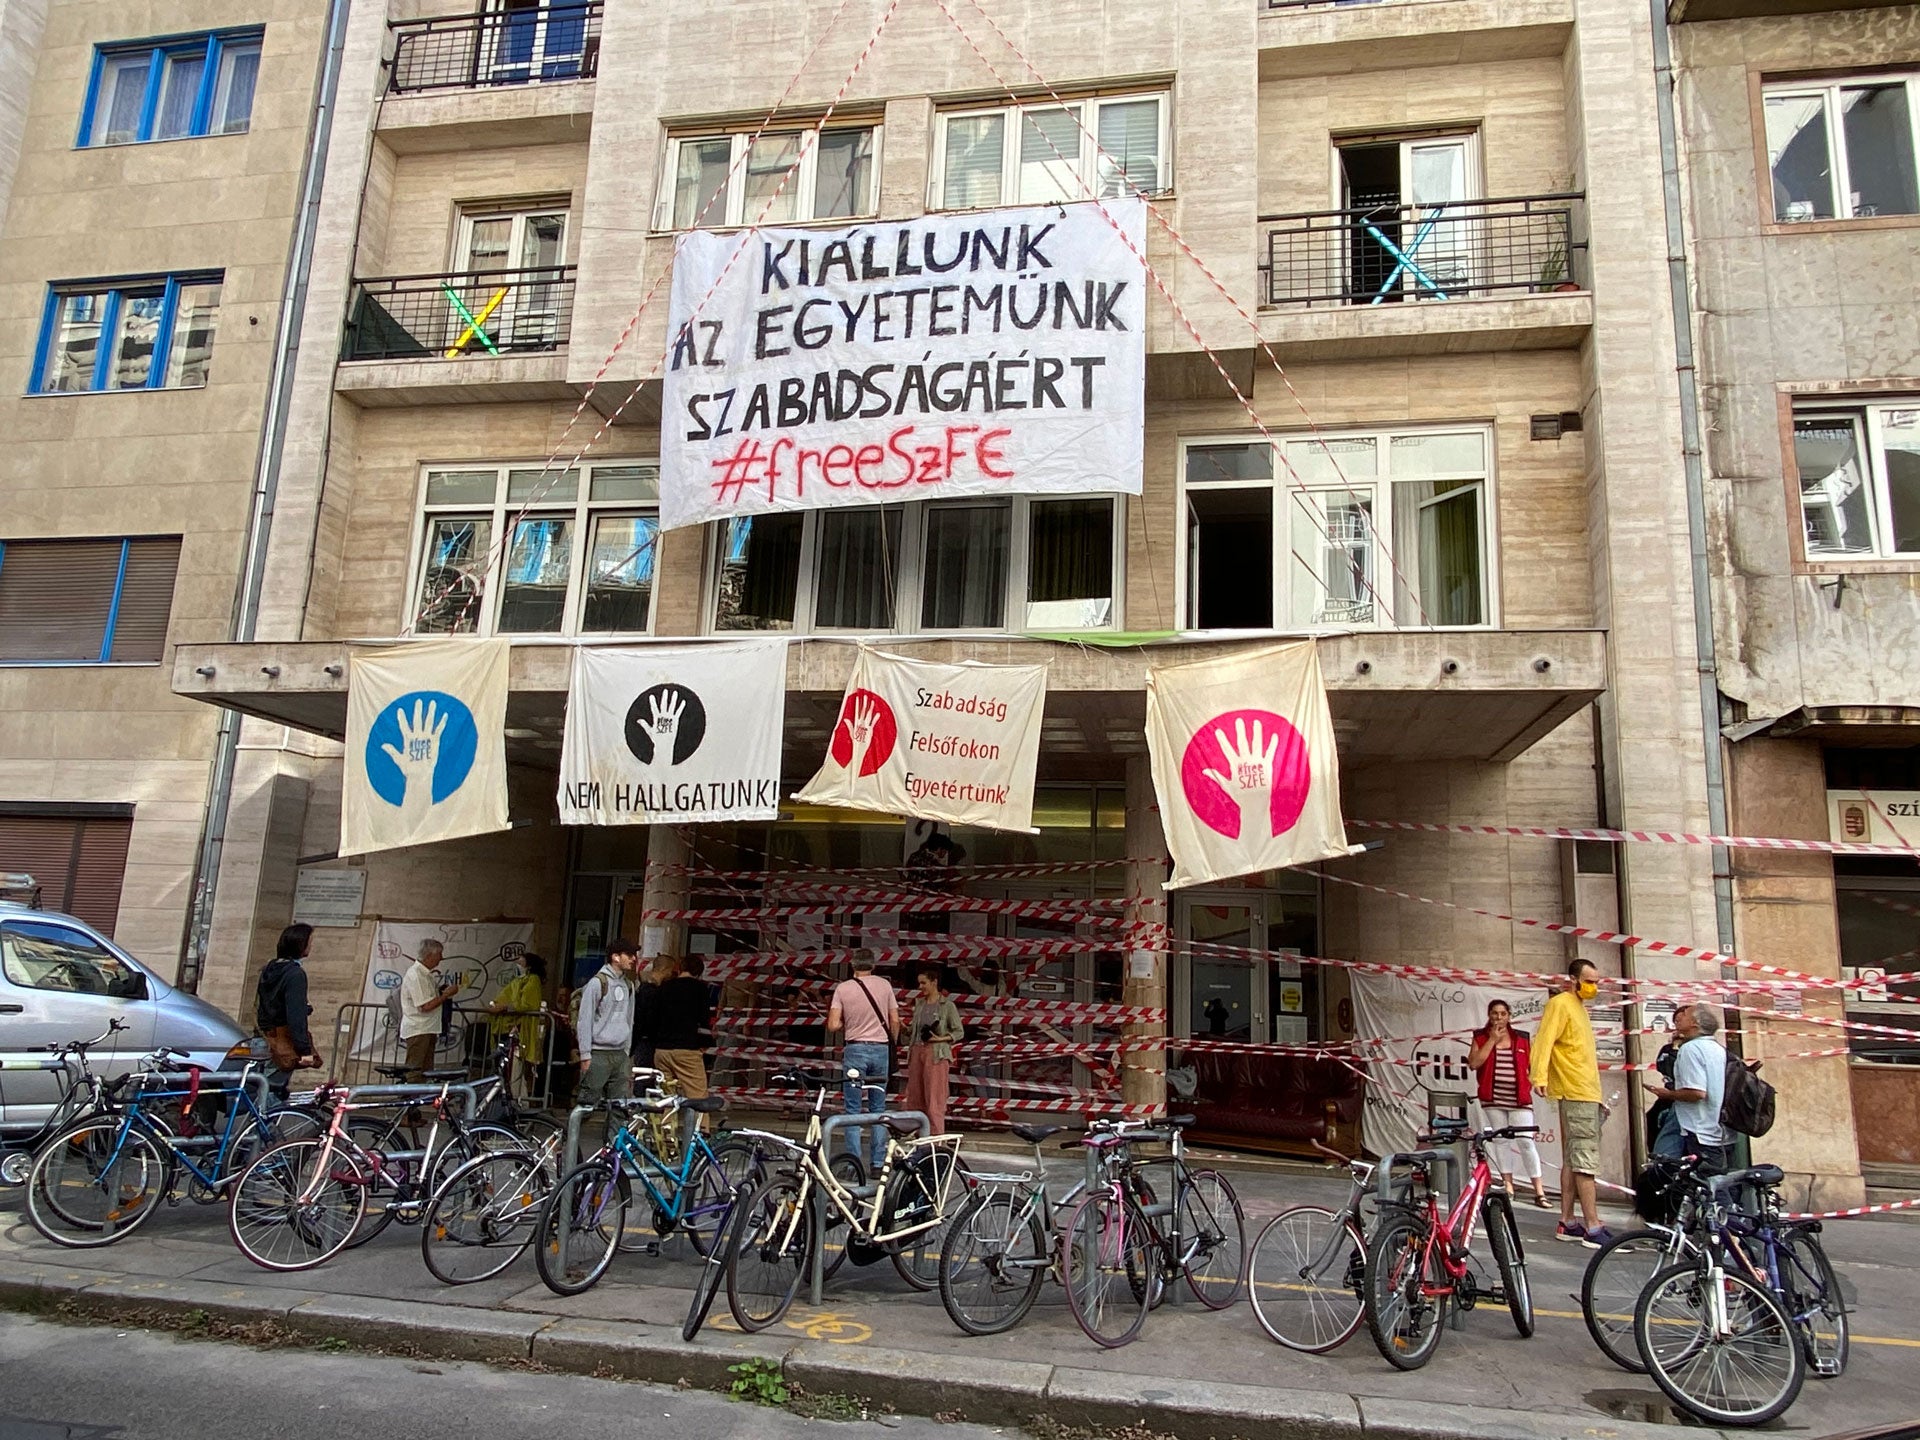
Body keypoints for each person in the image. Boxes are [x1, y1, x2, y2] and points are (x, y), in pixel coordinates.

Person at [1531, 957, 1612, 1248]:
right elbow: (1544, 1041)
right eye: (1589, 981)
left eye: (1596, 981)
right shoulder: (1561, 1004)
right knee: (1584, 1159)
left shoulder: (1577, 1008)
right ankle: (1592, 1225)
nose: (1594, 987)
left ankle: (1568, 1220)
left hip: (1584, 1090)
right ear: (1573, 980)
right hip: (1576, 1091)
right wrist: (1538, 1075)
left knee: (1572, 1158)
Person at [1468, 999, 1550, 1208]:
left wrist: (1540, 1083)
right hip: (1493, 1099)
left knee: (1525, 1141)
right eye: (1494, 1013)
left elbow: (1532, 1065)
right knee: (1501, 1141)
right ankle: (1508, 1185)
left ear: (1509, 1016)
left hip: (1519, 1099)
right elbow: (1474, 1063)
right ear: (1489, 1015)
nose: (1499, 1017)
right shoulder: (1480, 1036)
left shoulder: (1521, 1038)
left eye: (1503, 1013)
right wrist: (1492, 1040)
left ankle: (1539, 1191)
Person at [827, 950, 899, 1171]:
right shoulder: (885, 986)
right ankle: (877, 1163)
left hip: (855, 1048)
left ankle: (853, 1164)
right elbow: (894, 1020)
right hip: (880, 1049)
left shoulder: (843, 988)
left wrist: (849, 1023)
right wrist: (891, 1044)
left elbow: (832, 1025)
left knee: (852, 1108)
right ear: (873, 965)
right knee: (878, 1107)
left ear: (852, 965)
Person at [1646, 1003, 1731, 1174]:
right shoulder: (1717, 1048)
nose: (1678, 1020)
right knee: (1714, 1182)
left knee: (1709, 1185)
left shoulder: (1690, 1049)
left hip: (1699, 1128)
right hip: (1715, 1128)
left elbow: (1697, 1092)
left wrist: (1668, 1094)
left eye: (1684, 1015)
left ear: (1695, 1023)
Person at [255, 923, 320, 1100]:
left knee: (264, 1089)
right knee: (272, 1095)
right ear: (300, 944)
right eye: (310, 942)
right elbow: (295, 1016)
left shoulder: (269, 968)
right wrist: (304, 1050)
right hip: (283, 1040)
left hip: (265, 1038)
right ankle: (260, 1128)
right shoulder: (295, 974)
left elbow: (263, 1005)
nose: (311, 946)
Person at [575, 938, 639, 1106]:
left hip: (620, 1053)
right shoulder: (597, 983)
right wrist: (585, 1054)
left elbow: (629, 1018)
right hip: (598, 1053)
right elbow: (584, 1020)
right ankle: (574, 1132)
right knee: (587, 1103)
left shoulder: (628, 985)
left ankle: (614, 1134)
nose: (634, 959)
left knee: (619, 1106)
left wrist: (626, 1048)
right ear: (615, 957)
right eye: (630, 955)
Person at [653, 955, 714, 1120]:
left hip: (662, 1049)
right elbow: (704, 1020)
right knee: (698, 1095)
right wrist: (706, 1043)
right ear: (699, 972)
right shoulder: (700, 989)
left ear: (679, 968)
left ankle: (666, 1133)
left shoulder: (664, 987)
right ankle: (700, 1132)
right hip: (687, 1048)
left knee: (666, 1096)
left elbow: (655, 1017)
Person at [904, 966, 964, 1135]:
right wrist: (903, 1028)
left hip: (936, 1053)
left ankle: (937, 1137)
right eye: (919, 983)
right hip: (917, 1050)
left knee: (934, 1098)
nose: (920, 987)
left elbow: (959, 1031)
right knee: (915, 1095)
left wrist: (941, 1038)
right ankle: (917, 1134)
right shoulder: (920, 1004)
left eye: (923, 983)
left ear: (934, 982)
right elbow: (913, 1029)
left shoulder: (947, 1005)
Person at [487, 953, 547, 1100]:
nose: (517, 965)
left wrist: (505, 1007)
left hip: (520, 1032)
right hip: (506, 1030)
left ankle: (519, 1101)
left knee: (515, 1071)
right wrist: (495, 1005)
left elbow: (527, 1005)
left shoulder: (533, 981)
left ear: (529, 966)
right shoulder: (516, 982)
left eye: (520, 962)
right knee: (505, 1070)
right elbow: (502, 998)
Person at [400, 939, 459, 1081]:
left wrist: (440, 992)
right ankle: (411, 1099)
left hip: (427, 1028)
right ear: (429, 956)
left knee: (426, 1069)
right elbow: (425, 1006)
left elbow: (428, 999)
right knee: (415, 1069)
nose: (441, 958)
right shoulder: (416, 975)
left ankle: (421, 1098)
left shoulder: (425, 974)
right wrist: (446, 995)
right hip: (419, 1028)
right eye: (439, 954)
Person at [631, 953, 675, 1072]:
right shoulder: (652, 992)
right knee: (646, 1077)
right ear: (663, 969)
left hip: (645, 1041)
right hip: (649, 1041)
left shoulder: (643, 989)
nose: (671, 975)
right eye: (670, 970)